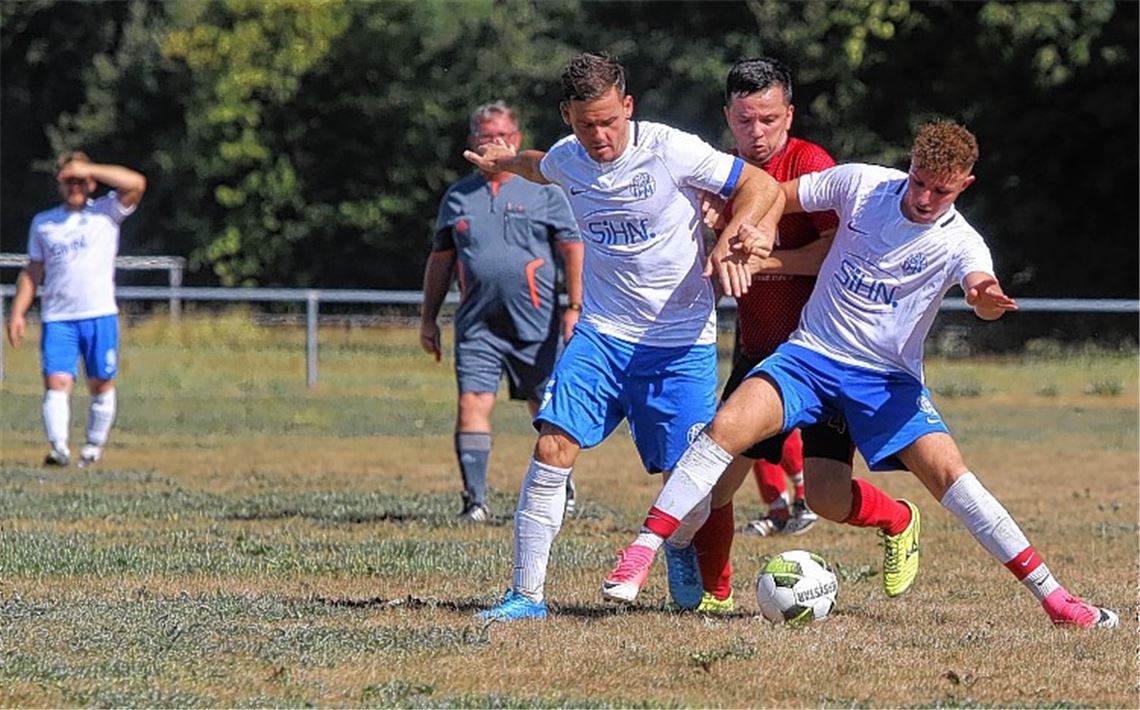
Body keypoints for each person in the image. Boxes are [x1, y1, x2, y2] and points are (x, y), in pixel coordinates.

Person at [605, 120, 1119, 629]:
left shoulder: (962, 242)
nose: (923, 197)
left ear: (964, 185)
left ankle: (1057, 600)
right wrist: (753, 225)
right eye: (918, 181)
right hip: (809, 358)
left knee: (944, 478)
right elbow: (777, 193)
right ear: (909, 165)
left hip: (885, 381)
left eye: (940, 191)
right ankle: (641, 552)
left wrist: (984, 299)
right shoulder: (863, 184)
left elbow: (979, 285)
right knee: (725, 428)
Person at [463, 52, 784, 621]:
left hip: (680, 343)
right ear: (567, 116)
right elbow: (541, 165)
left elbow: (758, 184)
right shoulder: (569, 157)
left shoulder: (670, 149)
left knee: (689, 486)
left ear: (628, 107)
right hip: (603, 334)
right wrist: (504, 162)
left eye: (610, 121)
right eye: (587, 124)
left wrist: (736, 232)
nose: (600, 136)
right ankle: (526, 596)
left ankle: (678, 544)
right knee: (552, 446)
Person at [676, 57, 921, 614]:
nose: (757, 133)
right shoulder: (722, 174)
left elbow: (838, 251)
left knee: (829, 498)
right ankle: (716, 597)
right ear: (727, 116)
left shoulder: (810, 164)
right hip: (760, 353)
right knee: (715, 483)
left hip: (825, 355)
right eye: (744, 120)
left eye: (768, 119)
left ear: (789, 114)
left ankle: (898, 519)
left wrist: (764, 261)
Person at [421, 100, 585, 523]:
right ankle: (475, 502)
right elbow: (440, 261)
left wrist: (575, 306)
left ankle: (560, 487)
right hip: (478, 325)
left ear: (517, 140)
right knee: (471, 403)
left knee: (546, 406)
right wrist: (428, 319)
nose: (494, 143)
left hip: (537, 323)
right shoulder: (457, 197)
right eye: (486, 136)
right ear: (472, 142)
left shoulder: (544, 191)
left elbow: (573, 248)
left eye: (503, 135)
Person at [6, 151, 147, 468]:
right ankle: (59, 448)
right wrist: (17, 313)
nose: (75, 186)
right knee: (57, 382)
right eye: (69, 180)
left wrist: (87, 167)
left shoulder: (106, 212)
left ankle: (93, 448)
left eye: (80, 180)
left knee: (100, 383)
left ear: (91, 182)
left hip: (99, 314)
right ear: (59, 184)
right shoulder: (44, 223)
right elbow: (33, 271)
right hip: (59, 317)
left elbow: (136, 183)